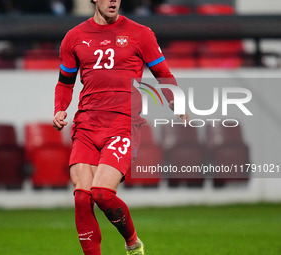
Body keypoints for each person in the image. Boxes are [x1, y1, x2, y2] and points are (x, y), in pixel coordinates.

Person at [53, 0, 189, 254]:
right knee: (83, 197)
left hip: (122, 125)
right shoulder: (74, 37)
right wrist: (60, 108)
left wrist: (176, 102)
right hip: (86, 125)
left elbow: (163, 74)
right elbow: (65, 82)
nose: (113, 0)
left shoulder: (141, 33)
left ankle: (132, 243)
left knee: (103, 193)